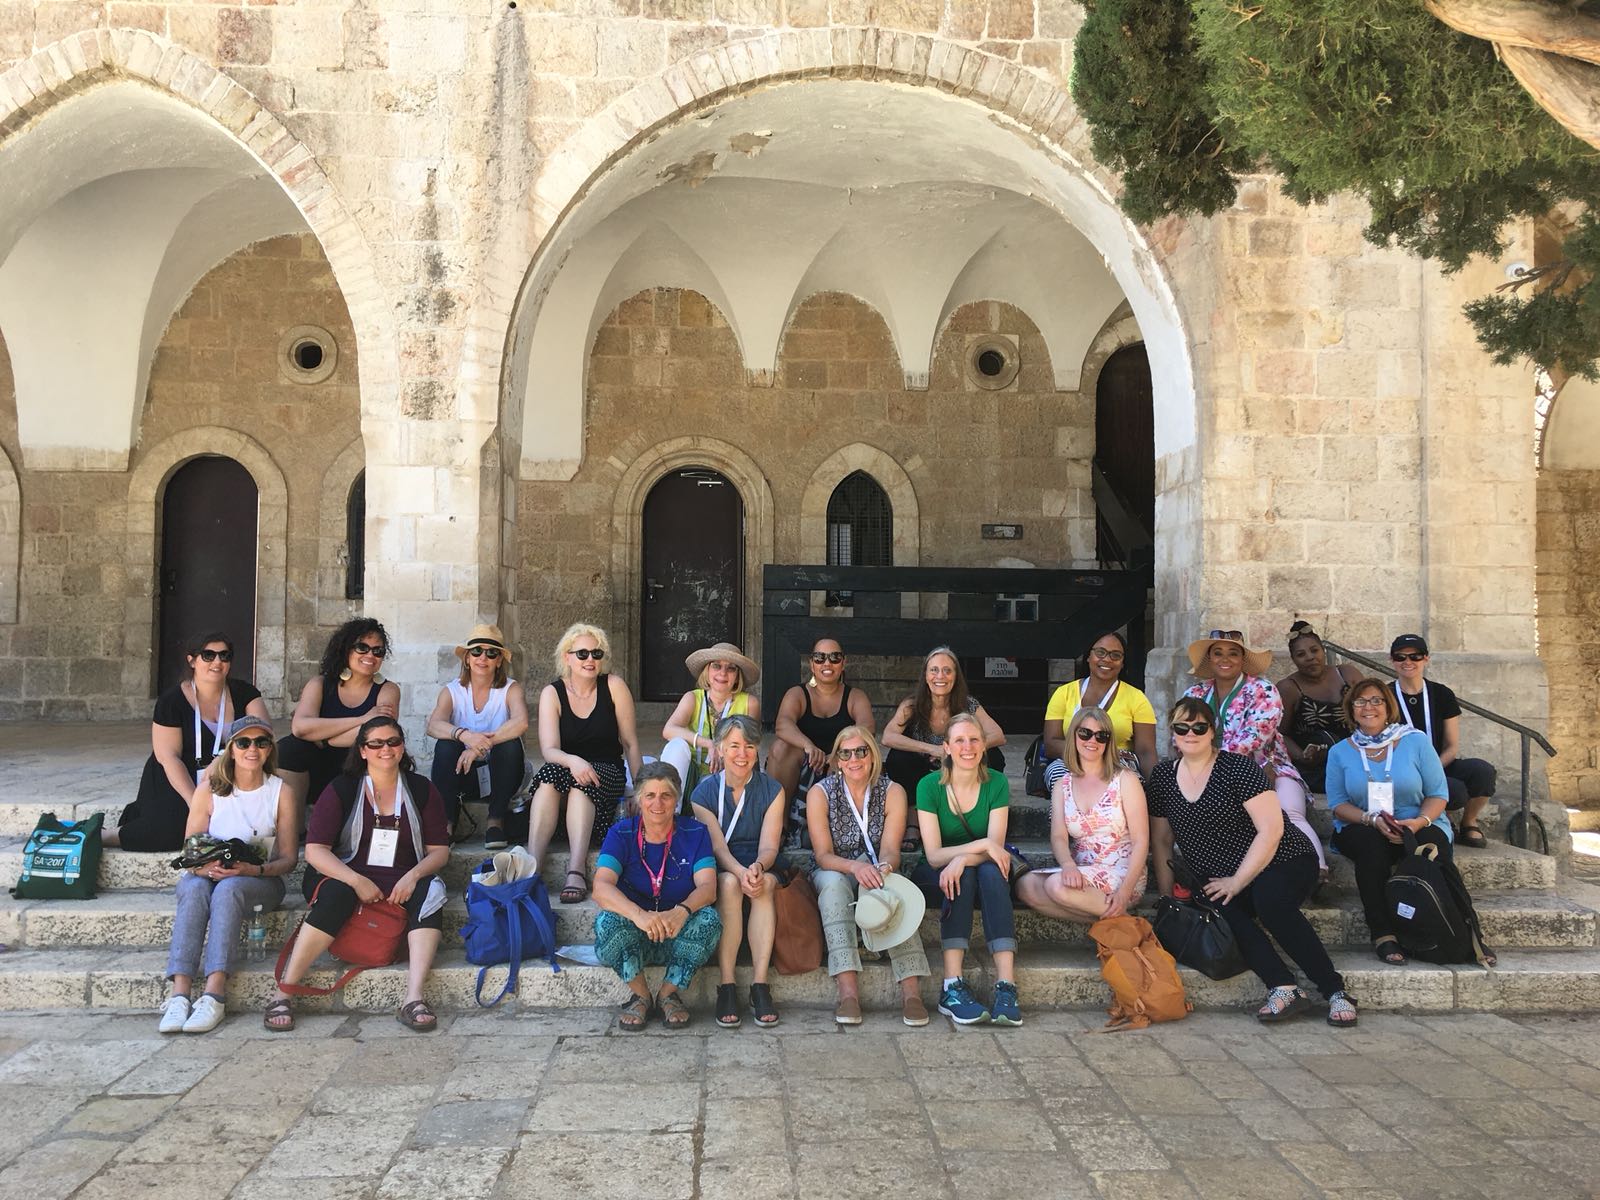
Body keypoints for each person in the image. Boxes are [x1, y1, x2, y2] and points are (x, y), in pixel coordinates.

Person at [1149, 697, 1357, 1028]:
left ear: (1212, 730)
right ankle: (1284, 987)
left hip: (1282, 858)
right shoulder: (1162, 777)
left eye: (1199, 727)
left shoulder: (1238, 768)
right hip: (1217, 873)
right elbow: (1161, 840)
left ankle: (1334, 991)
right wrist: (1166, 898)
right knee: (1222, 911)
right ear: (1172, 733)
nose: (1191, 733)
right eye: (1182, 727)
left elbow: (1271, 830)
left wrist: (1238, 881)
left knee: (1270, 902)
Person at [266, 716, 451, 1033]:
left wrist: (412, 877)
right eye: (375, 743)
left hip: (401, 874)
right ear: (362, 750)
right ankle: (284, 992)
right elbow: (315, 850)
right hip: (345, 871)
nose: (385, 749)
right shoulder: (343, 788)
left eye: (393, 742)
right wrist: (355, 879)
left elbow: (439, 851)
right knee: (338, 894)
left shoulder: (422, 790)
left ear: (402, 747)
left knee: (429, 892)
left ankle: (414, 997)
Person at [1324, 678, 1488, 964]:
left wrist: (1418, 822)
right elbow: (1338, 804)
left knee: (1434, 850)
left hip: (1418, 820)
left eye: (1377, 700)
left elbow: (1438, 794)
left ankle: (1469, 933)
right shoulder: (1340, 751)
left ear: (1389, 707)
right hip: (1364, 823)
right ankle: (1383, 934)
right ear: (1351, 710)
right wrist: (1371, 819)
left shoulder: (1416, 742)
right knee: (1370, 851)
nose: (1368, 707)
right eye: (1360, 701)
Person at [158, 715, 298, 1034]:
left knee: (229, 889)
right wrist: (204, 868)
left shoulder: (281, 792)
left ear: (269, 750)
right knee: (194, 889)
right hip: (208, 873)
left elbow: (289, 859)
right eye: (244, 742)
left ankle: (214, 992)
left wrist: (254, 869)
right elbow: (189, 851)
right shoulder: (209, 790)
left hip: (260, 879)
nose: (253, 749)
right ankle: (179, 994)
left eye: (261, 742)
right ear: (231, 749)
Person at [805, 726, 931, 1027]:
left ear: (872, 756)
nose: (853, 759)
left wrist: (884, 867)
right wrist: (855, 868)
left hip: (875, 866)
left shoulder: (893, 791)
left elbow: (890, 850)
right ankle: (848, 991)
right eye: (845, 753)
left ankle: (911, 991)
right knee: (835, 888)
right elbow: (822, 855)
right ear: (837, 759)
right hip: (834, 868)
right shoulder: (820, 793)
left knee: (893, 888)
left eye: (860, 751)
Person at [110, 631, 271, 851]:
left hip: (228, 772)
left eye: (224, 656)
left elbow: (263, 735)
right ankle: (107, 836)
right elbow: (168, 757)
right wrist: (195, 801)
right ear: (192, 660)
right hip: (178, 775)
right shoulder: (172, 701)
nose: (217, 662)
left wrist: (224, 758)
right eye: (208, 655)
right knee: (173, 829)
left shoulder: (246, 693)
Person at [1183, 629, 1326, 872]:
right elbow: (1182, 734)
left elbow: (1255, 736)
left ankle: (1318, 869)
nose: (1225, 659)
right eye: (1218, 653)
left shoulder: (1264, 689)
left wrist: (1211, 762)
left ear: (1242, 659)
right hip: (1205, 774)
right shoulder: (1194, 694)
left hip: (1268, 768)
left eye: (1233, 653)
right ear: (1210, 659)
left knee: (1289, 811)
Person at [592, 762, 721, 1030]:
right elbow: (601, 887)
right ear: (639, 798)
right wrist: (639, 916)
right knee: (607, 921)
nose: (657, 803)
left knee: (708, 920)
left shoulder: (695, 832)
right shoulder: (621, 833)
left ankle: (667, 994)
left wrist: (681, 911)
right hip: (636, 935)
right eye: (650, 795)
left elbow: (708, 888)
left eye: (666, 795)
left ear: (677, 799)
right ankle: (640, 995)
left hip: (677, 934)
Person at [915, 712, 1020, 1026]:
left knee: (986, 871)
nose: (967, 747)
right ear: (946, 747)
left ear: (984, 745)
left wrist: (961, 858)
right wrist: (976, 850)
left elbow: (996, 849)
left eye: (974, 739)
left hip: (982, 870)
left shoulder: (997, 783)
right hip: (935, 873)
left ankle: (1006, 986)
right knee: (965, 874)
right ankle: (952, 986)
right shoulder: (928, 786)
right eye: (959, 740)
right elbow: (934, 856)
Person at [527, 623, 643, 904]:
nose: (590, 660)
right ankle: (531, 867)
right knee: (549, 776)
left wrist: (642, 788)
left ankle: (576, 870)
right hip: (567, 767)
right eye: (582, 654)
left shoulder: (613, 686)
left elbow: (630, 743)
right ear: (566, 657)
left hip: (607, 772)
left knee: (582, 783)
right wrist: (574, 761)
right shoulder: (551, 694)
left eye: (596, 653)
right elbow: (549, 749)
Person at [688, 715, 786, 1028]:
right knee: (729, 884)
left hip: (759, 861)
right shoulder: (702, 794)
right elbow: (716, 847)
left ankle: (760, 985)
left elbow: (770, 846)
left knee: (765, 885)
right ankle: (727, 985)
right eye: (733, 746)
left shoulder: (773, 789)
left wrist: (757, 867)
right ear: (719, 749)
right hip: (723, 863)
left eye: (749, 746)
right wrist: (741, 871)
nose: (741, 753)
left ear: (758, 750)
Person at [1015, 706, 1148, 924]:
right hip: (1081, 872)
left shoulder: (1125, 779)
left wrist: (1125, 891)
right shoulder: (1062, 784)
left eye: (1101, 736)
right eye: (1085, 733)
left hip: (1122, 873)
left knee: (1056, 886)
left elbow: (1141, 840)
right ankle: (1114, 922)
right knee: (1025, 886)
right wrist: (1068, 864)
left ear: (1108, 742)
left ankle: (1120, 916)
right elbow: (1058, 836)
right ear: (1074, 736)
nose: (1092, 741)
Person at [277, 619, 401, 823]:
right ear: (345, 649)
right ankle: (294, 827)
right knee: (289, 748)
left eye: (377, 651)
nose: (370, 655)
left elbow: (378, 733)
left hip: (357, 763)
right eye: (362, 647)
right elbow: (300, 728)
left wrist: (324, 738)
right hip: (316, 765)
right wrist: (362, 719)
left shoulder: (388, 690)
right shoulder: (320, 684)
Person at [882, 647, 1006, 846]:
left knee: (994, 756)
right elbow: (888, 737)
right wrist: (931, 749)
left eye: (947, 670)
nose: (940, 676)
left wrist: (959, 750)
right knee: (898, 758)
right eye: (934, 670)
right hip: (924, 765)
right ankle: (913, 823)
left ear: (956, 676)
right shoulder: (912, 705)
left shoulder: (968, 703)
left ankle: (980, 815)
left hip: (959, 765)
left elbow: (998, 735)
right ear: (925, 675)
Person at [424, 624, 529, 849]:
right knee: (446, 746)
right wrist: (464, 736)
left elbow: (521, 722)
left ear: (499, 660)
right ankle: (447, 825)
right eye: (477, 652)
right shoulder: (452, 691)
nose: (484, 658)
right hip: (464, 776)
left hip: (502, 776)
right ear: (467, 659)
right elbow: (433, 725)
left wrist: (480, 745)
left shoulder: (511, 689)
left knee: (509, 745)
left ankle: (495, 821)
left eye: (492, 653)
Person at [1389, 633, 1497, 849]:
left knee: (1483, 771)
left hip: (1440, 762)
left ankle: (1468, 823)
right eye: (1400, 657)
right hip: (1405, 769)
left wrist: (1432, 768)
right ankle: (1440, 819)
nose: (1407, 662)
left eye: (1415, 656)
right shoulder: (1386, 695)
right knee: (1455, 791)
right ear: (1392, 661)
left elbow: (1452, 745)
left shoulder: (1441, 693)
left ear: (1426, 659)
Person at [766, 638, 876, 828]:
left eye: (834, 657)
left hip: (840, 765)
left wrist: (838, 754)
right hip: (803, 765)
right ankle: (778, 826)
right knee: (781, 747)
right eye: (820, 658)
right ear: (811, 664)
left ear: (843, 663)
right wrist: (808, 746)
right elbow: (783, 724)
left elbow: (867, 727)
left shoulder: (855, 696)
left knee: (861, 752)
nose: (827, 663)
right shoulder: (798, 694)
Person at [1040, 630, 1156, 792]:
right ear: (1088, 656)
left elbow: (1145, 751)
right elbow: (1051, 744)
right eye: (1100, 652)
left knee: (1128, 786)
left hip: (1119, 762)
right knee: (1059, 777)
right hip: (1072, 761)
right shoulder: (1064, 693)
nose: (1107, 659)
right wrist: (1090, 752)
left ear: (1123, 663)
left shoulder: (1137, 698)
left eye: (1115, 655)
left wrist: (1156, 791)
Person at [659, 642, 762, 797]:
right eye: (716, 666)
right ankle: (672, 811)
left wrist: (722, 751)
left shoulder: (749, 703)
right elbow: (669, 730)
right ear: (706, 671)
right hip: (689, 775)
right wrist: (709, 743)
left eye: (731, 668)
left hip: (726, 776)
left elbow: (750, 748)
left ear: (737, 676)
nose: (723, 673)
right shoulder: (693, 698)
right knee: (676, 746)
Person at [1276, 621, 1362, 794]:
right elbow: (1279, 733)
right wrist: (1303, 756)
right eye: (1301, 654)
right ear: (1293, 659)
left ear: (1322, 650)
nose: (1310, 657)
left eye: (1314, 650)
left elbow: (1374, 710)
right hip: (1316, 767)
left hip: (1357, 757)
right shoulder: (1289, 688)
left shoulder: (1347, 674)